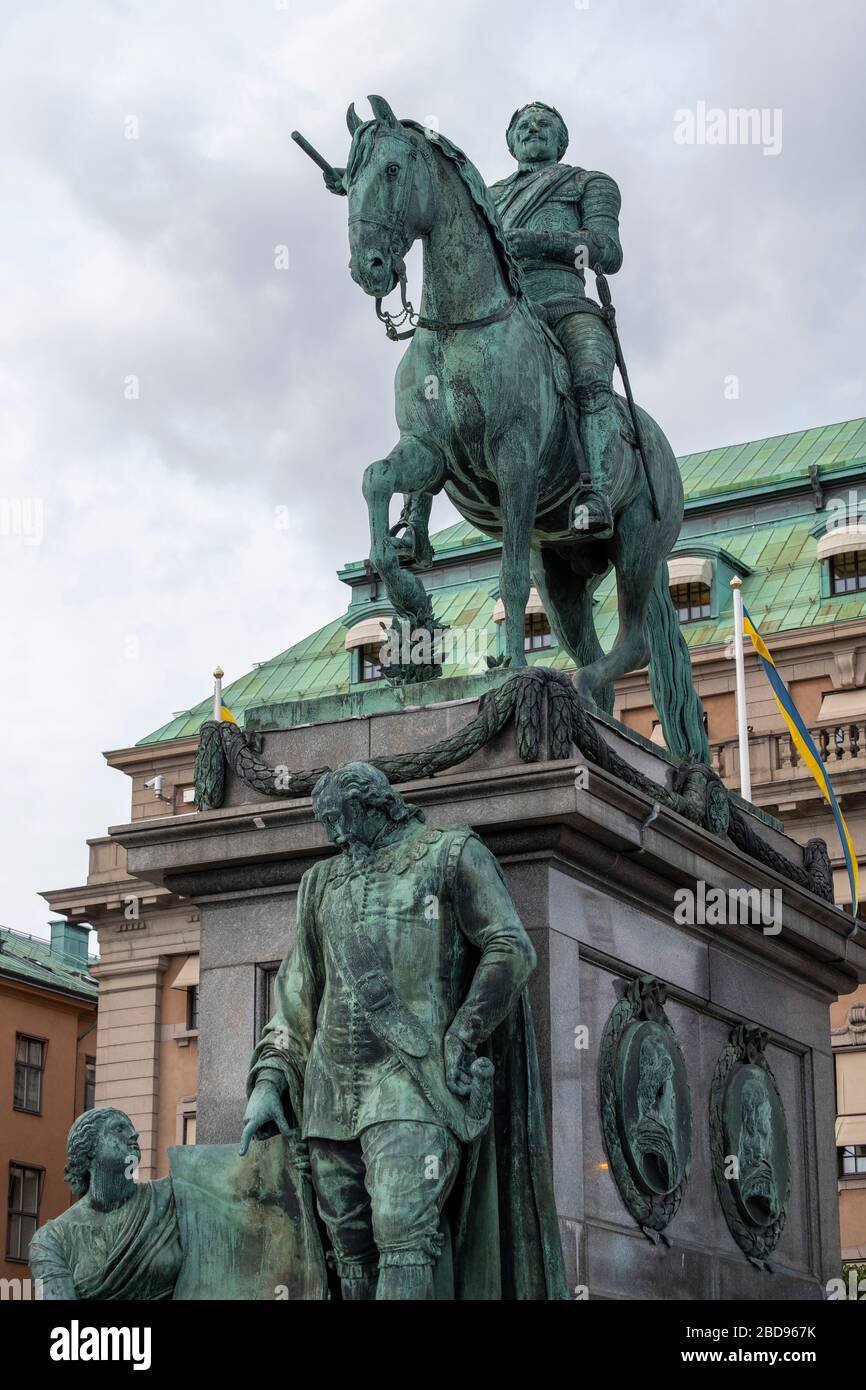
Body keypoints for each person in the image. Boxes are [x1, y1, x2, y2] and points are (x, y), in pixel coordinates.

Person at [240, 761, 567, 1300]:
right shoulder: (321, 882)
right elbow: (297, 993)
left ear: (373, 805)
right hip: (329, 1095)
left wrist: (463, 1034)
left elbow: (511, 947)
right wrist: (270, 1081)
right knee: (348, 1248)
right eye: (326, 825)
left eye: (341, 820)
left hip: (412, 1079)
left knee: (401, 1231)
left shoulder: (450, 854)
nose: (336, 836)